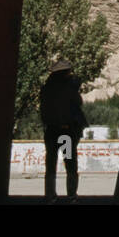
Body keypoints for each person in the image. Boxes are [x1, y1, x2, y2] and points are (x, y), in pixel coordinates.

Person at [40, 59, 87, 202]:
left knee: (51, 164)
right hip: (65, 132)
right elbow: (78, 102)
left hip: (51, 131)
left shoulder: (46, 89)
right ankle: (71, 195)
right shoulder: (69, 88)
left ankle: (50, 195)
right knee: (70, 163)